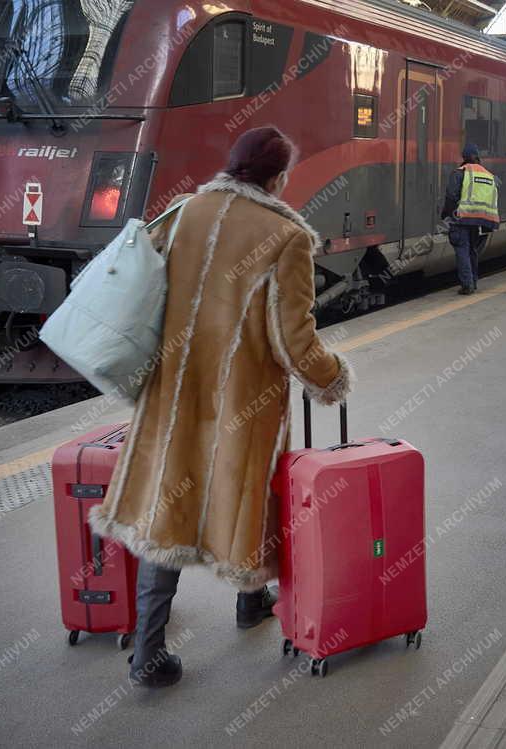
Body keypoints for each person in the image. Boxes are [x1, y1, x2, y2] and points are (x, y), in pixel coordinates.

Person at [90, 127, 352, 688]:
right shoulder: (286, 237)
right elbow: (294, 341)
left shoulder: (187, 211)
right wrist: (331, 379)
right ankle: (245, 601)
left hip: (173, 390)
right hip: (244, 398)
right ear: (278, 177)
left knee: (168, 505)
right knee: (250, 494)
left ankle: (151, 653)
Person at [441, 143, 500, 295]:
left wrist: (446, 216)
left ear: (464, 157)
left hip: (462, 218)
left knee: (462, 250)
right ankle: (473, 281)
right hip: (481, 220)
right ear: (477, 157)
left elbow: (451, 197)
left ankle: (467, 285)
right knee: (472, 251)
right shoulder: (488, 174)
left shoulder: (459, 173)